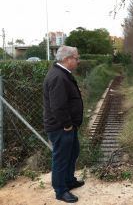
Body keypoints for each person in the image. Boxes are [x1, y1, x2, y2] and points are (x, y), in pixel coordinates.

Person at [43, 46, 84, 203]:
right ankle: (60, 190)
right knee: (61, 158)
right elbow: (58, 106)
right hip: (61, 127)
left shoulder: (63, 74)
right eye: (76, 58)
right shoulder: (58, 77)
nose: (78, 61)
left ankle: (68, 180)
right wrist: (67, 125)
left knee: (72, 153)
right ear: (67, 59)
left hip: (68, 126)